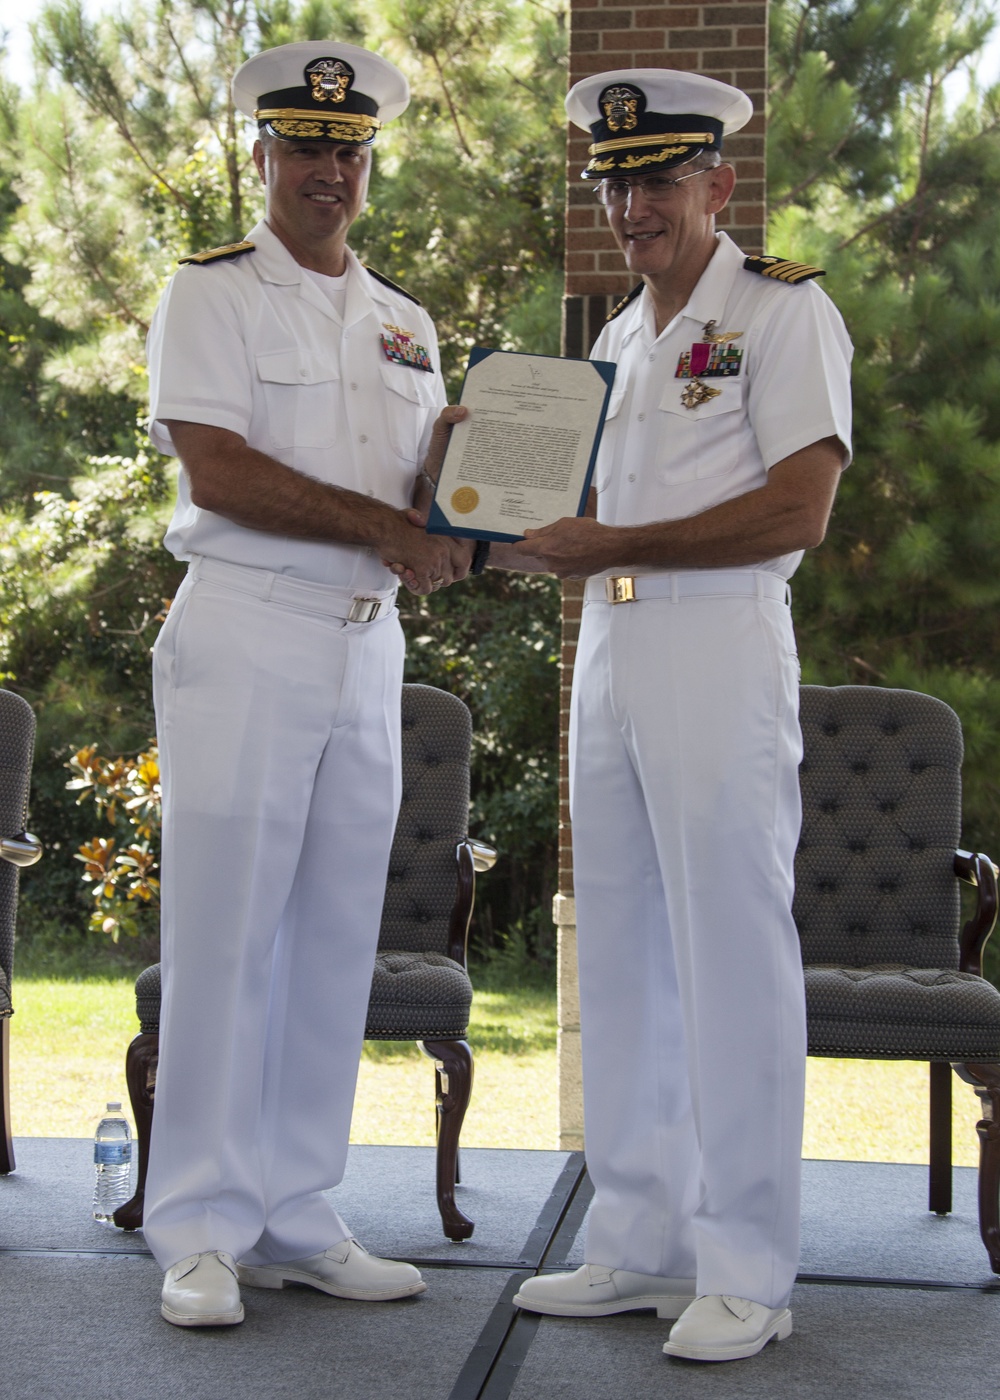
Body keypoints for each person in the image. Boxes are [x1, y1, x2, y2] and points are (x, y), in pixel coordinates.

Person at [503, 69, 853, 1362]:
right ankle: (642, 1241)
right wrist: (477, 514)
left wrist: (614, 539)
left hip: (717, 643)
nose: (634, 202)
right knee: (630, 947)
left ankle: (748, 1269)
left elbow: (799, 510)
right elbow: (556, 519)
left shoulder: (782, 312)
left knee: (731, 952)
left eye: (659, 177)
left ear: (718, 185)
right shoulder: (612, 344)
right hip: (615, 642)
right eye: (616, 179)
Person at [143, 40, 470, 1328]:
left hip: (365, 639)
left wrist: (463, 496)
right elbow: (217, 469)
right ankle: (202, 1229)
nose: (327, 171)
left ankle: (295, 1208)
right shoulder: (210, 293)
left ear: (367, 163)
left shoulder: (407, 322)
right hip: (248, 627)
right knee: (226, 936)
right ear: (263, 156)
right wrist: (388, 526)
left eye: (349, 150)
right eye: (305, 147)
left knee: (335, 934)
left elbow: (428, 502)